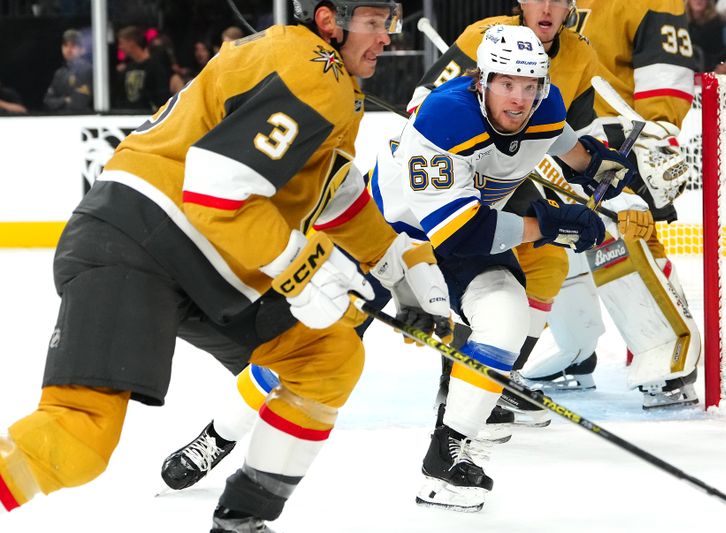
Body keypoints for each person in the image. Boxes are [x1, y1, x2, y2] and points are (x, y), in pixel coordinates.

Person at [0, 4, 453, 533]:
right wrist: (300, 267)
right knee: (80, 436)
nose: (387, 39)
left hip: (203, 255)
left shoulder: (316, 70)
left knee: (327, 354)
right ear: (330, 21)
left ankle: (242, 520)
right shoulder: (314, 71)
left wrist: (396, 262)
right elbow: (217, 187)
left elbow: (327, 187)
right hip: (142, 237)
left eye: (389, 24)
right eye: (375, 24)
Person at [373, 24, 635, 511]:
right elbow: (463, 233)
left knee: (507, 313)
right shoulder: (445, 119)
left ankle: (445, 456)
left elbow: (565, 145)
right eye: (507, 84)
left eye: (529, 85)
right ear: (482, 80)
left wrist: (600, 166)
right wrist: (551, 223)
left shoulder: (545, 105)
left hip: (459, 227)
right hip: (384, 232)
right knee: (319, 342)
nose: (519, 99)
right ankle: (222, 436)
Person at [409, 0, 603, 423]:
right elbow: (421, 103)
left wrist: (609, 168)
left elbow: (582, 137)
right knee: (466, 253)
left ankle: (499, 378)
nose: (548, 7)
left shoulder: (580, 53)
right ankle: (459, 383)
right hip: (460, 168)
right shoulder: (483, 34)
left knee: (549, 260)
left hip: (507, 171)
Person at [519, 0, 700, 410]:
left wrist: (658, 138)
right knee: (556, 246)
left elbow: (665, 75)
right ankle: (577, 352)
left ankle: (667, 360)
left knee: (622, 246)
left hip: (612, 146)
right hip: (546, 140)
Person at [114, 25, 171, 111]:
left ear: (131, 42)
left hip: (148, 117)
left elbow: (162, 95)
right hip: (128, 117)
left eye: (121, 43)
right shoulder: (128, 69)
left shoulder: (155, 66)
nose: (120, 47)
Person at [43, 29, 93, 112]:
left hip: (83, 119)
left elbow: (78, 103)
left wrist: (60, 101)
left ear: (82, 49)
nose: (68, 50)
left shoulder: (87, 70)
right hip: (62, 120)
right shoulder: (60, 73)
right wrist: (65, 100)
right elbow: (47, 101)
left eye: (73, 46)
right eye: (65, 45)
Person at [686, 0, 726, 71]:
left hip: (710, 72)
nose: (698, 1)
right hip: (686, 71)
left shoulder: (717, 24)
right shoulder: (681, 22)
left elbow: (719, 56)